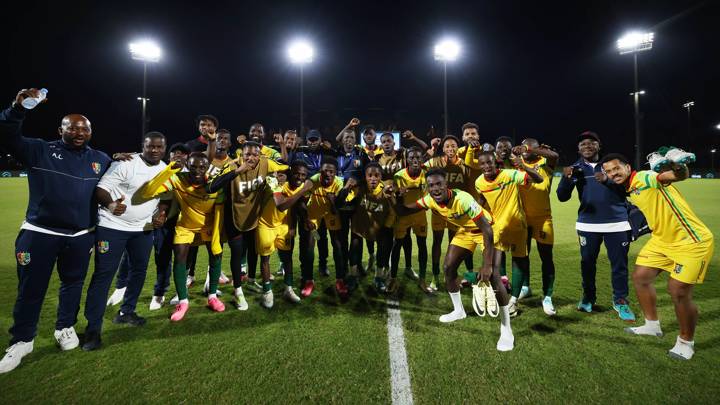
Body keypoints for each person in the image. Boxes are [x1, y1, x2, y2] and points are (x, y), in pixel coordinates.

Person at [0, 88, 111, 373]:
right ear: (59, 130)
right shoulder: (39, 150)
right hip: (40, 233)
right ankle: (22, 340)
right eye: (72, 128)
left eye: (84, 129)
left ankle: (65, 327)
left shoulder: (100, 158)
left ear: (90, 132)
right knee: (30, 289)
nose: (79, 132)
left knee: (72, 285)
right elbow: (7, 134)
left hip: (80, 236)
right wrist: (18, 108)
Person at [599, 153, 713, 360]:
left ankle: (686, 342)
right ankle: (652, 326)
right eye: (608, 171)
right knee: (641, 277)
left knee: (677, 291)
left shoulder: (642, 177)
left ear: (627, 167)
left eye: (616, 168)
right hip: (661, 240)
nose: (612, 173)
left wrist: (677, 164)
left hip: (691, 241)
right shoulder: (629, 188)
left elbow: (679, 175)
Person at [397, 168, 514, 351]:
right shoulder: (430, 200)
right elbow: (403, 211)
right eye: (431, 185)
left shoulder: (463, 199)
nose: (435, 189)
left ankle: (506, 329)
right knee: (448, 268)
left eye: (438, 184)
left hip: (488, 230)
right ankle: (459, 311)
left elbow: (487, 230)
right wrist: (397, 197)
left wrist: (487, 264)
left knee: (493, 276)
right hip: (467, 231)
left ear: (446, 185)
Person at [81, 131, 170, 350]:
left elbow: (166, 197)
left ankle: (126, 312)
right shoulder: (126, 163)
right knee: (104, 275)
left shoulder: (164, 169)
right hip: (112, 227)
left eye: (159, 147)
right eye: (151, 146)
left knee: (139, 271)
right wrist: (111, 204)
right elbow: (101, 189)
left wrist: (161, 214)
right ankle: (93, 329)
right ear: (143, 146)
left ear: (164, 148)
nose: (155, 150)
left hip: (143, 229)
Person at [556, 131, 635, 321]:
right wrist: (567, 179)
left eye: (592, 143)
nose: (587, 146)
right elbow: (562, 197)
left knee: (619, 266)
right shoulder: (575, 168)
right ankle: (588, 298)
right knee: (587, 264)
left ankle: (621, 301)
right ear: (578, 149)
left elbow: (627, 190)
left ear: (599, 146)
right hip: (588, 224)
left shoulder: (610, 165)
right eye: (583, 144)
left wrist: (608, 181)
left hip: (618, 223)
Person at [139, 152, 225, 321]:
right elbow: (148, 191)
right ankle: (183, 302)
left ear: (207, 167)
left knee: (216, 255)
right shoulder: (178, 179)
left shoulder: (215, 183)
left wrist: (216, 238)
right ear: (188, 165)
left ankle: (212, 296)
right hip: (186, 225)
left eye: (202, 167)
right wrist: (170, 170)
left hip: (209, 225)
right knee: (180, 259)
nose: (197, 171)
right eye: (193, 166)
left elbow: (220, 211)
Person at [208, 141, 289, 308]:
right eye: (247, 155)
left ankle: (251, 280)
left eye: (254, 154)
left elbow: (284, 167)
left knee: (254, 250)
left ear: (260, 155)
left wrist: (281, 176)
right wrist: (238, 171)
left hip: (254, 217)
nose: (251, 158)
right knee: (237, 253)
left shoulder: (266, 163)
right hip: (234, 217)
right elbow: (212, 187)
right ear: (241, 155)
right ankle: (238, 291)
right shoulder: (232, 166)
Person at [473, 151, 543, 316]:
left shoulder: (509, 175)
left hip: (517, 226)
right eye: (482, 164)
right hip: (498, 228)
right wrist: (477, 218)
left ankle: (513, 301)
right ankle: (495, 295)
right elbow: (481, 201)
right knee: (493, 264)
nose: (486, 166)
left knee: (519, 262)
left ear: (495, 163)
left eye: (489, 162)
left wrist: (524, 166)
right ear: (479, 165)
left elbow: (538, 179)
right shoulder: (479, 182)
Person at [256, 162, 315, 303]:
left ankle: (288, 288)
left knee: (287, 258)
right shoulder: (274, 182)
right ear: (290, 173)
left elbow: (297, 205)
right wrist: (304, 189)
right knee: (265, 259)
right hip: (266, 224)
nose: (299, 177)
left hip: (284, 225)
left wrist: (300, 222)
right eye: (296, 173)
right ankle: (267, 291)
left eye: (303, 175)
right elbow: (282, 205)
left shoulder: (301, 186)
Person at [516, 138, 559, 315]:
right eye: (524, 146)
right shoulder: (516, 163)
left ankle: (547, 296)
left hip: (543, 218)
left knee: (546, 258)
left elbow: (555, 155)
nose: (526, 149)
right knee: (523, 255)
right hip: (522, 218)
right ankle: (525, 287)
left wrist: (534, 150)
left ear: (538, 148)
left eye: (530, 146)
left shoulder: (545, 163)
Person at [335, 162, 394, 291]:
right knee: (355, 248)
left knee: (382, 252)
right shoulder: (358, 187)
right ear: (365, 176)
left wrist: (386, 227)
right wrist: (346, 188)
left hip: (379, 227)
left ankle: (378, 277)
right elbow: (341, 202)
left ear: (381, 176)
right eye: (370, 175)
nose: (373, 178)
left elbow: (393, 211)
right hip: (360, 225)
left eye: (376, 175)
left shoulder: (387, 188)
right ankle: (352, 276)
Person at [424, 135, 472, 293]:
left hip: (456, 211)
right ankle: (436, 276)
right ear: (443, 149)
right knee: (437, 241)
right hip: (438, 210)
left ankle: (453, 274)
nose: (450, 149)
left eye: (453, 146)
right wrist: (431, 151)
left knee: (455, 242)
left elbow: (468, 184)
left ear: (457, 148)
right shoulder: (436, 162)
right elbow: (421, 167)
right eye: (447, 146)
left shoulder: (464, 164)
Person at [298, 157, 349, 297]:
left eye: (331, 171)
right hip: (313, 214)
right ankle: (308, 280)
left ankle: (340, 279)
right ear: (320, 171)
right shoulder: (312, 181)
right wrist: (306, 218)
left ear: (336, 173)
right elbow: (302, 202)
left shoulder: (339, 184)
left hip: (331, 215)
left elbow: (336, 210)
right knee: (309, 245)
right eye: (325, 171)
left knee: (337, 245)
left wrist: (333, 201)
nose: (327, 174)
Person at [389, 147, 428, 293]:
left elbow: (427, 202)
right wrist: (399, 196)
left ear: (422, 159)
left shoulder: (426, 175)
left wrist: (405, 208)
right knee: (397, 245)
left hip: (419, 216)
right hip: (403, 217)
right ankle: (393, 278)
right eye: (411, 157)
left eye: (418, 157)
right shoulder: (398, 176)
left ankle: (422, 279)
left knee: (422, 245)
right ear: (407, 159)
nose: (415, 160)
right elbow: (395, 199)